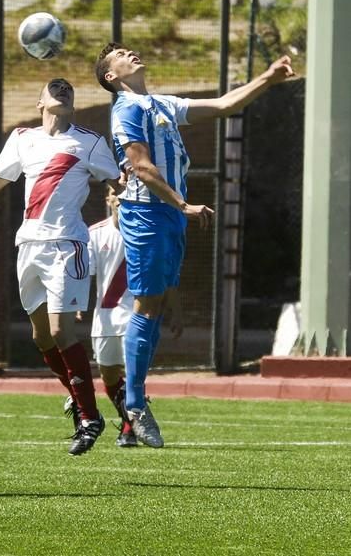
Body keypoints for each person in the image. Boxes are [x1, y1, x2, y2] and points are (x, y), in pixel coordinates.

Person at [95, 45, 294, 447]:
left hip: (168, 215)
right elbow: (141, 167)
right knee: (147, 304)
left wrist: (268, 79)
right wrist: (183, 204)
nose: (129, 52)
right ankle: (133, 403)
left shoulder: (159, 103)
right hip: (146, 213)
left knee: (156, 305)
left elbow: (222, 105)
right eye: (118, 54)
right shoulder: (126, 110)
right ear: (111, 77)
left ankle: (136, 400)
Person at [0, 78, 121, 455]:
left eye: (68, 89)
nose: (63, 91)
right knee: (41, 338)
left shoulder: (91, 142)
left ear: (74, 103)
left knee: (62, 331)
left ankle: (90, 417)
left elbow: (119, 184)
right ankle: (78, 401)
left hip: (67, 245)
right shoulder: (22, 139)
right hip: (28, 246)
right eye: (55, 88)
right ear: (39, 102)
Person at [82, 185, 182, 447]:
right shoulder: (94, 234)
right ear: (108, 198)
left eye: (125, 193)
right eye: (115, 193)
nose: (119, 198)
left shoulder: (148, 232)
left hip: (136, 316)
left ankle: (130, 427)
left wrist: (175, 310)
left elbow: (168, 275)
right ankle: (130, 419)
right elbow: (84, 274)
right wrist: (78, 302)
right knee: (109, 376)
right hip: (104, 318)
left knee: (134, 373)